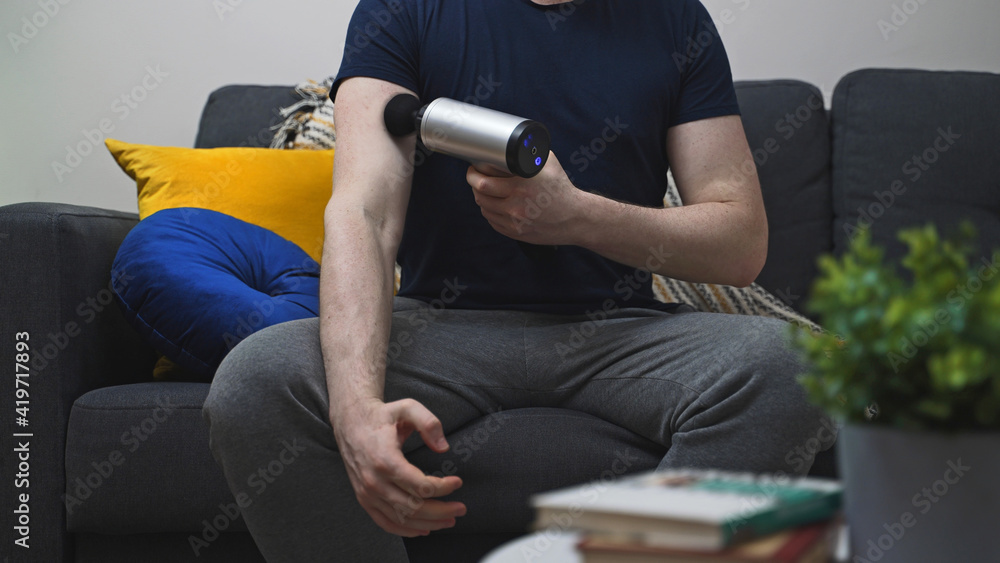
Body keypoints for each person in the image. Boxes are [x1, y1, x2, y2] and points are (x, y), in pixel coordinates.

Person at [203, 0, 831, 561]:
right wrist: (355, 408)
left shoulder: (675, 18)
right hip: (441, 330)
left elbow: (740, 244)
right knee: (258, 377)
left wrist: (578, 217)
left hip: (620, 336)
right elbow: (363, 213)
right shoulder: (403, 10)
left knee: (796, 363)